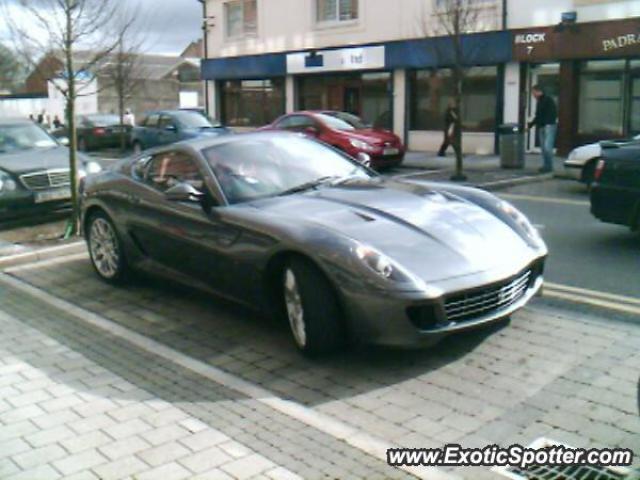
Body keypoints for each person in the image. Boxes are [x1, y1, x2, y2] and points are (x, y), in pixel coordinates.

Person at [528, 85, 557, 173]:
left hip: (548, 126)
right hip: (542, 126)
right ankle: (546, 165)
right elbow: (538, 115)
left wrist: (545, 122)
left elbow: (543, 114)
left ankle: (549, 166)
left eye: (533, 92)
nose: (533, 94)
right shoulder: (540, 101)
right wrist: (531, 125)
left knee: (547, 147)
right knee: (544, 148)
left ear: (538, 91)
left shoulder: (547, 100)